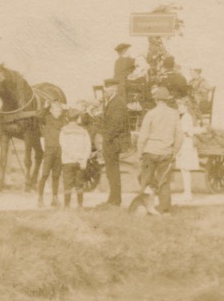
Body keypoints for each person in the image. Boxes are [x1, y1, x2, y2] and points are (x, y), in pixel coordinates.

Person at [135, 86, 183, 215]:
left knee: (145, 180)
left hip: (150, 151)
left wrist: (139, 154)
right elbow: (179, 136)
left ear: (156, 100)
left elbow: (143, 136)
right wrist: (174, 151)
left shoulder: (150, 113)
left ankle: (143, 208)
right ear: (167, 100)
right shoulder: (174, 114)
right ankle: (164, 210)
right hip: (166, 152)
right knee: (164, 182)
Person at [99, 79, 130, 207]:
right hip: (111, 141)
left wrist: (106, 138)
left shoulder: (118, 102)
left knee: (113, 172)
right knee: (111, 172)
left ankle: (115, 200)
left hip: (113, 142)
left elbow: (117, 125)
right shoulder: (113, 101)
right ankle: (113, 199)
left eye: (107, 88)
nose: (104, 91)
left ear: (114, 88)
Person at [59, 109, 92, 210]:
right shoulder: (83, 131)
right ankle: (80, 206)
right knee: (79, 184)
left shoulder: (64, 131)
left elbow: (64, 146)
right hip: (80, 162)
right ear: (78, 119)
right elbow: (88, 146)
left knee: (67, 184)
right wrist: (84, 159)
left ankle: (67, 206)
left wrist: (73, 156)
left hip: (68, 161)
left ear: (67, 118)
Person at [37, 100, 65, 207]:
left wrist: (66, 108)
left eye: (60, 111)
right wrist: (46, 107)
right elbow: (39, 116)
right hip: (49, 150)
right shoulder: (47, 118)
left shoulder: (63, 121)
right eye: (56, 111)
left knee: (56, 176)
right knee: (44, 174)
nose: (58, 113)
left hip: (59, 150)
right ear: (51, 111)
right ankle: (40, 198)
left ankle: (55, 198)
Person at [176, 103, 200, 202]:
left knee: (185, 169)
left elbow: (184, 132)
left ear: (186, 107)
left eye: (180, 106)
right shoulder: (186, 116)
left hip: (185, 144)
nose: (178, 108)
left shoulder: (186, 117)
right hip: (186, 143)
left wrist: (179, 148)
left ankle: (188, 193)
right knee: (184, 170)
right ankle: (187, 192)